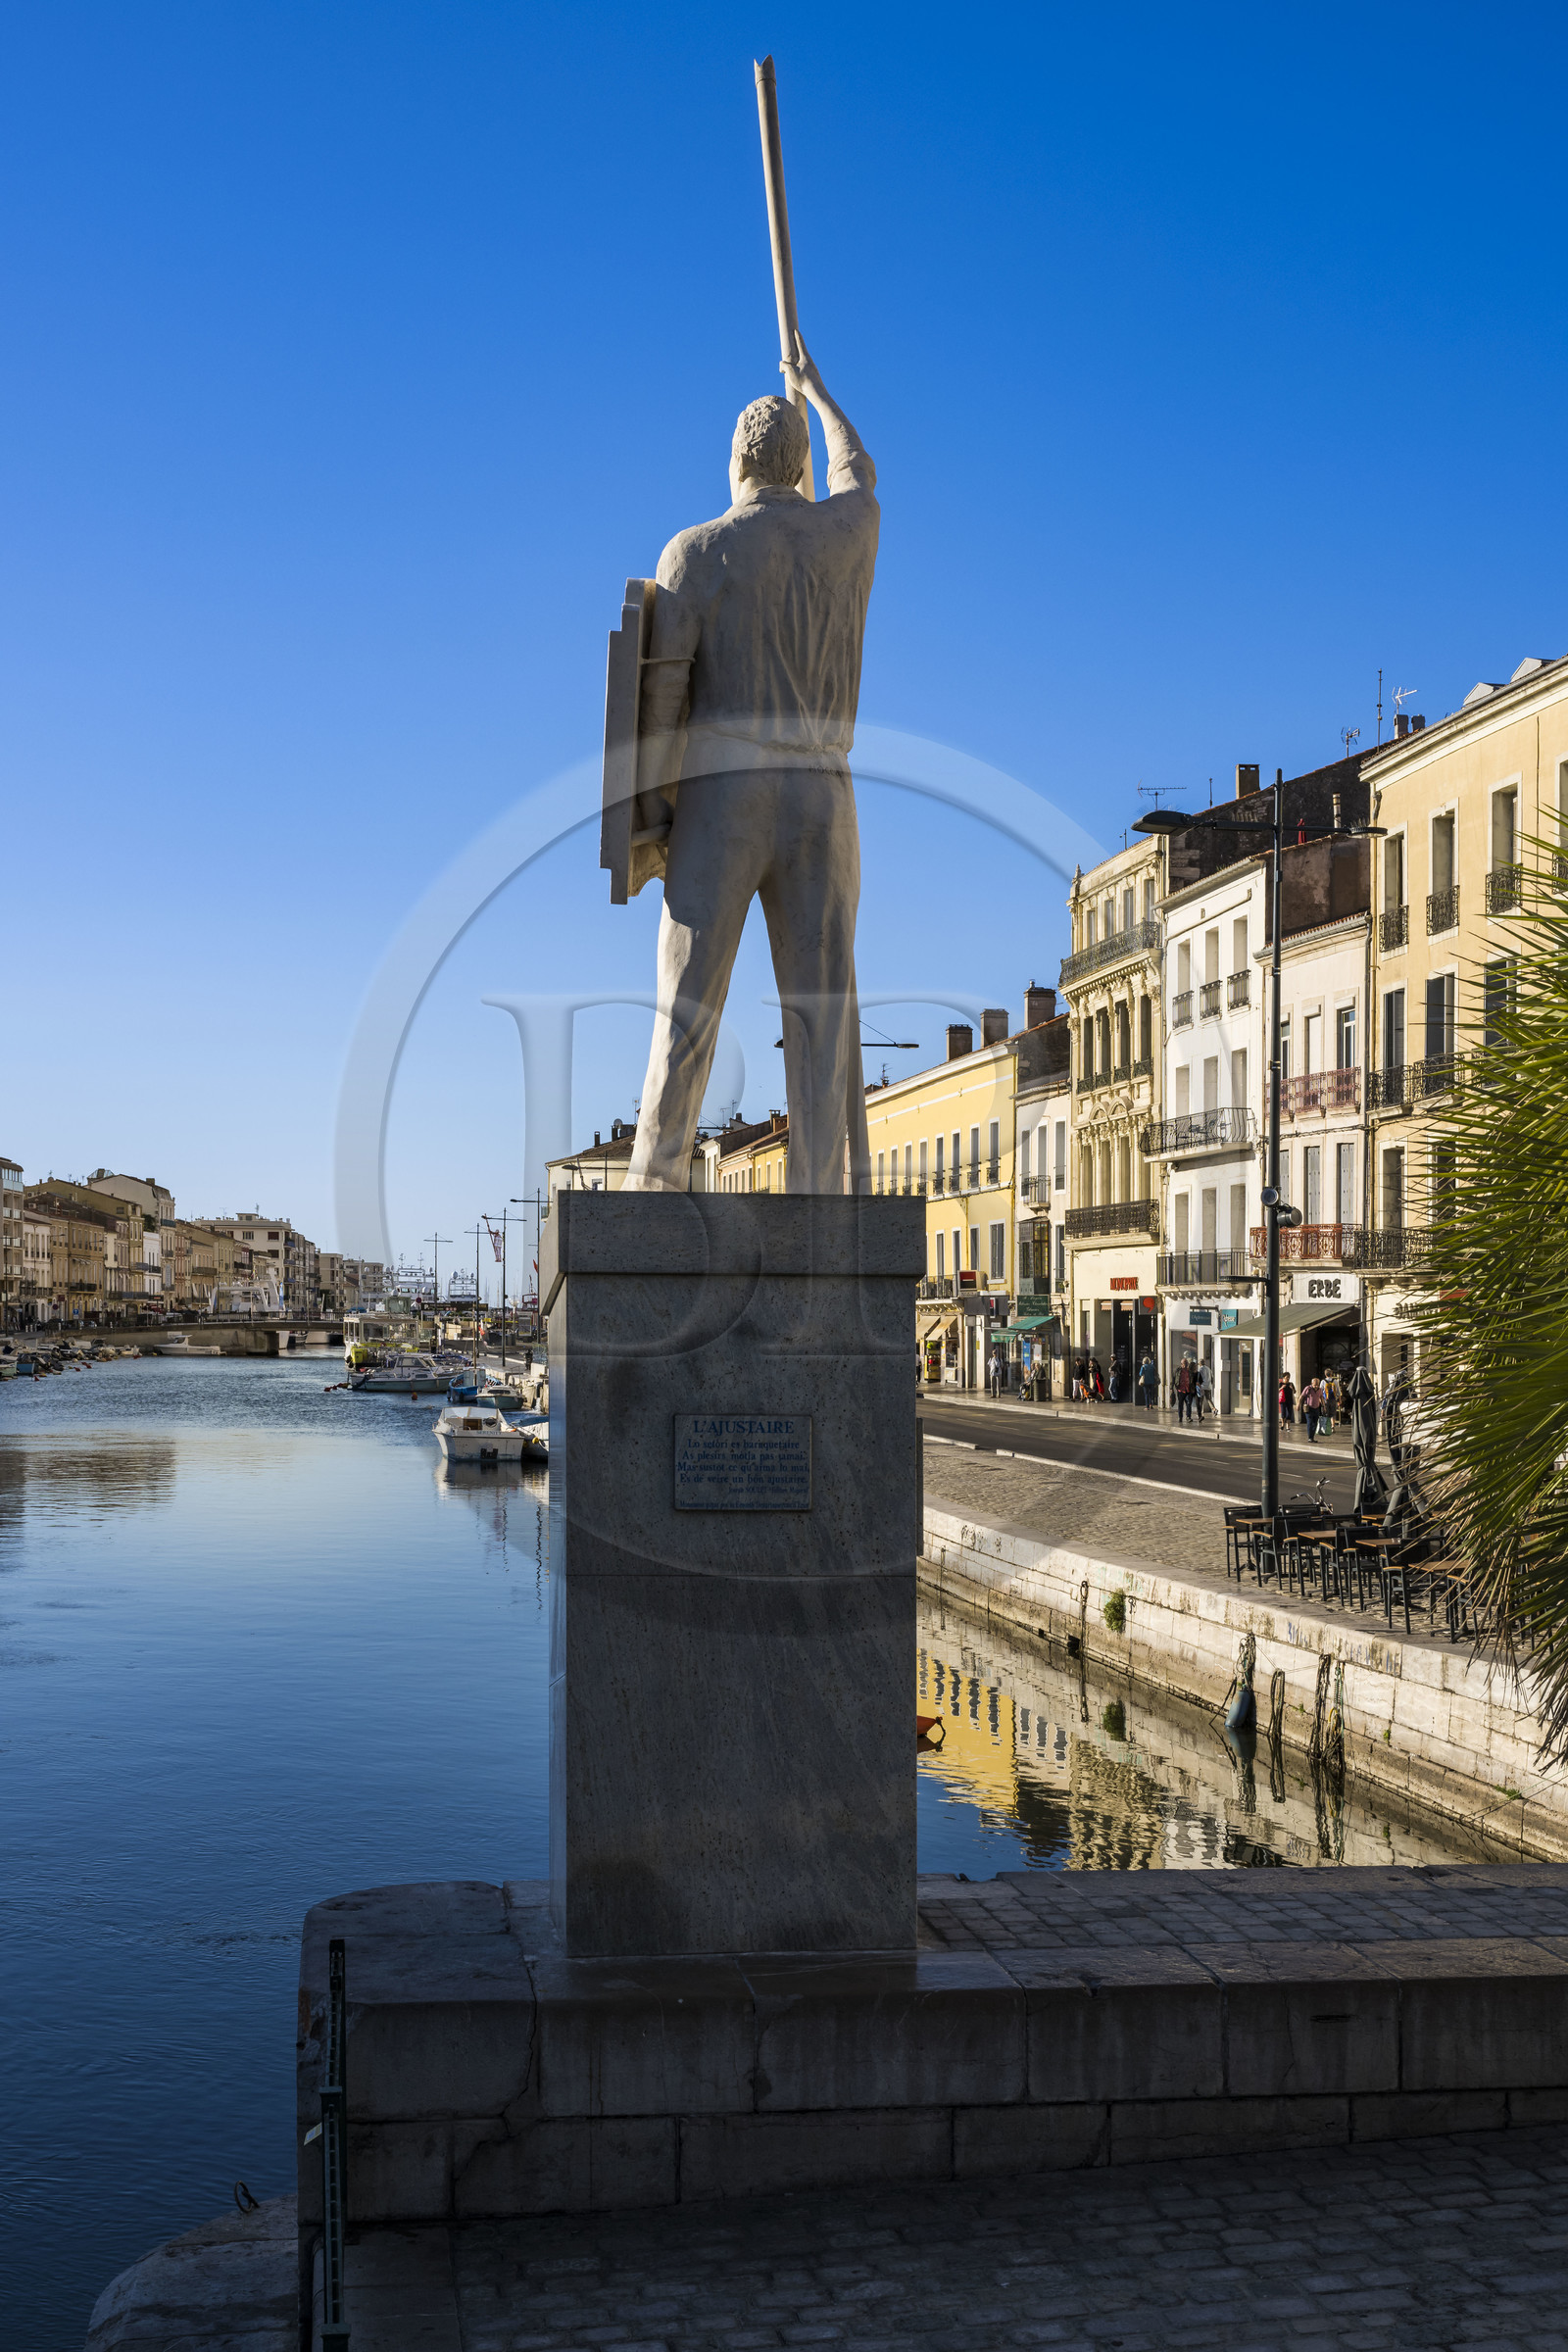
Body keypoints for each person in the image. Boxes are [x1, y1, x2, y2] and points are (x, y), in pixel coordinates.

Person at [624, 334, 880, 1194]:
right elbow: (859, 471)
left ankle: (657, 1180)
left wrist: (657, 821)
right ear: (798, 465)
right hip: (824, 792)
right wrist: (819, 389)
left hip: (724, 790)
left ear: (735, 463)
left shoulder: (694, 553)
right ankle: (819, 1192)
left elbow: (661, 710)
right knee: (821, 1014)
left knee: (688, 1002)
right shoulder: (849, 534)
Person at [1175, 1356, 1194, 1424]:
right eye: (1184, 1363)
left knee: (1188, 1404)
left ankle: (1188, 1417)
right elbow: (1173, 1378)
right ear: (1181, 1364)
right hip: (1180, 1390)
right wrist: (1171, 1388)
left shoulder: (1190, 1371)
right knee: (1180, 1404)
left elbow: (1192, 1379)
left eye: (1186, 1363)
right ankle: (1180, 1417)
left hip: (1188, 1390)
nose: (1186, 1364)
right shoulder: (1178, 1371)